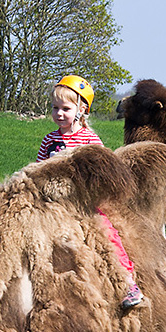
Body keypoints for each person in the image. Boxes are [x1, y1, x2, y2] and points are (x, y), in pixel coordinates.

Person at [37, 75, 145, 309]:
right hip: (54, 203)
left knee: (107, 234)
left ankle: (128, 284)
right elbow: (37, 170)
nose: (59, 114)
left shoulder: (90, 140)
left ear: (82, 109)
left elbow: (103, 171)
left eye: (65, 108)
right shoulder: (49, 141)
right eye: (55, 108)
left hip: (83, 202)